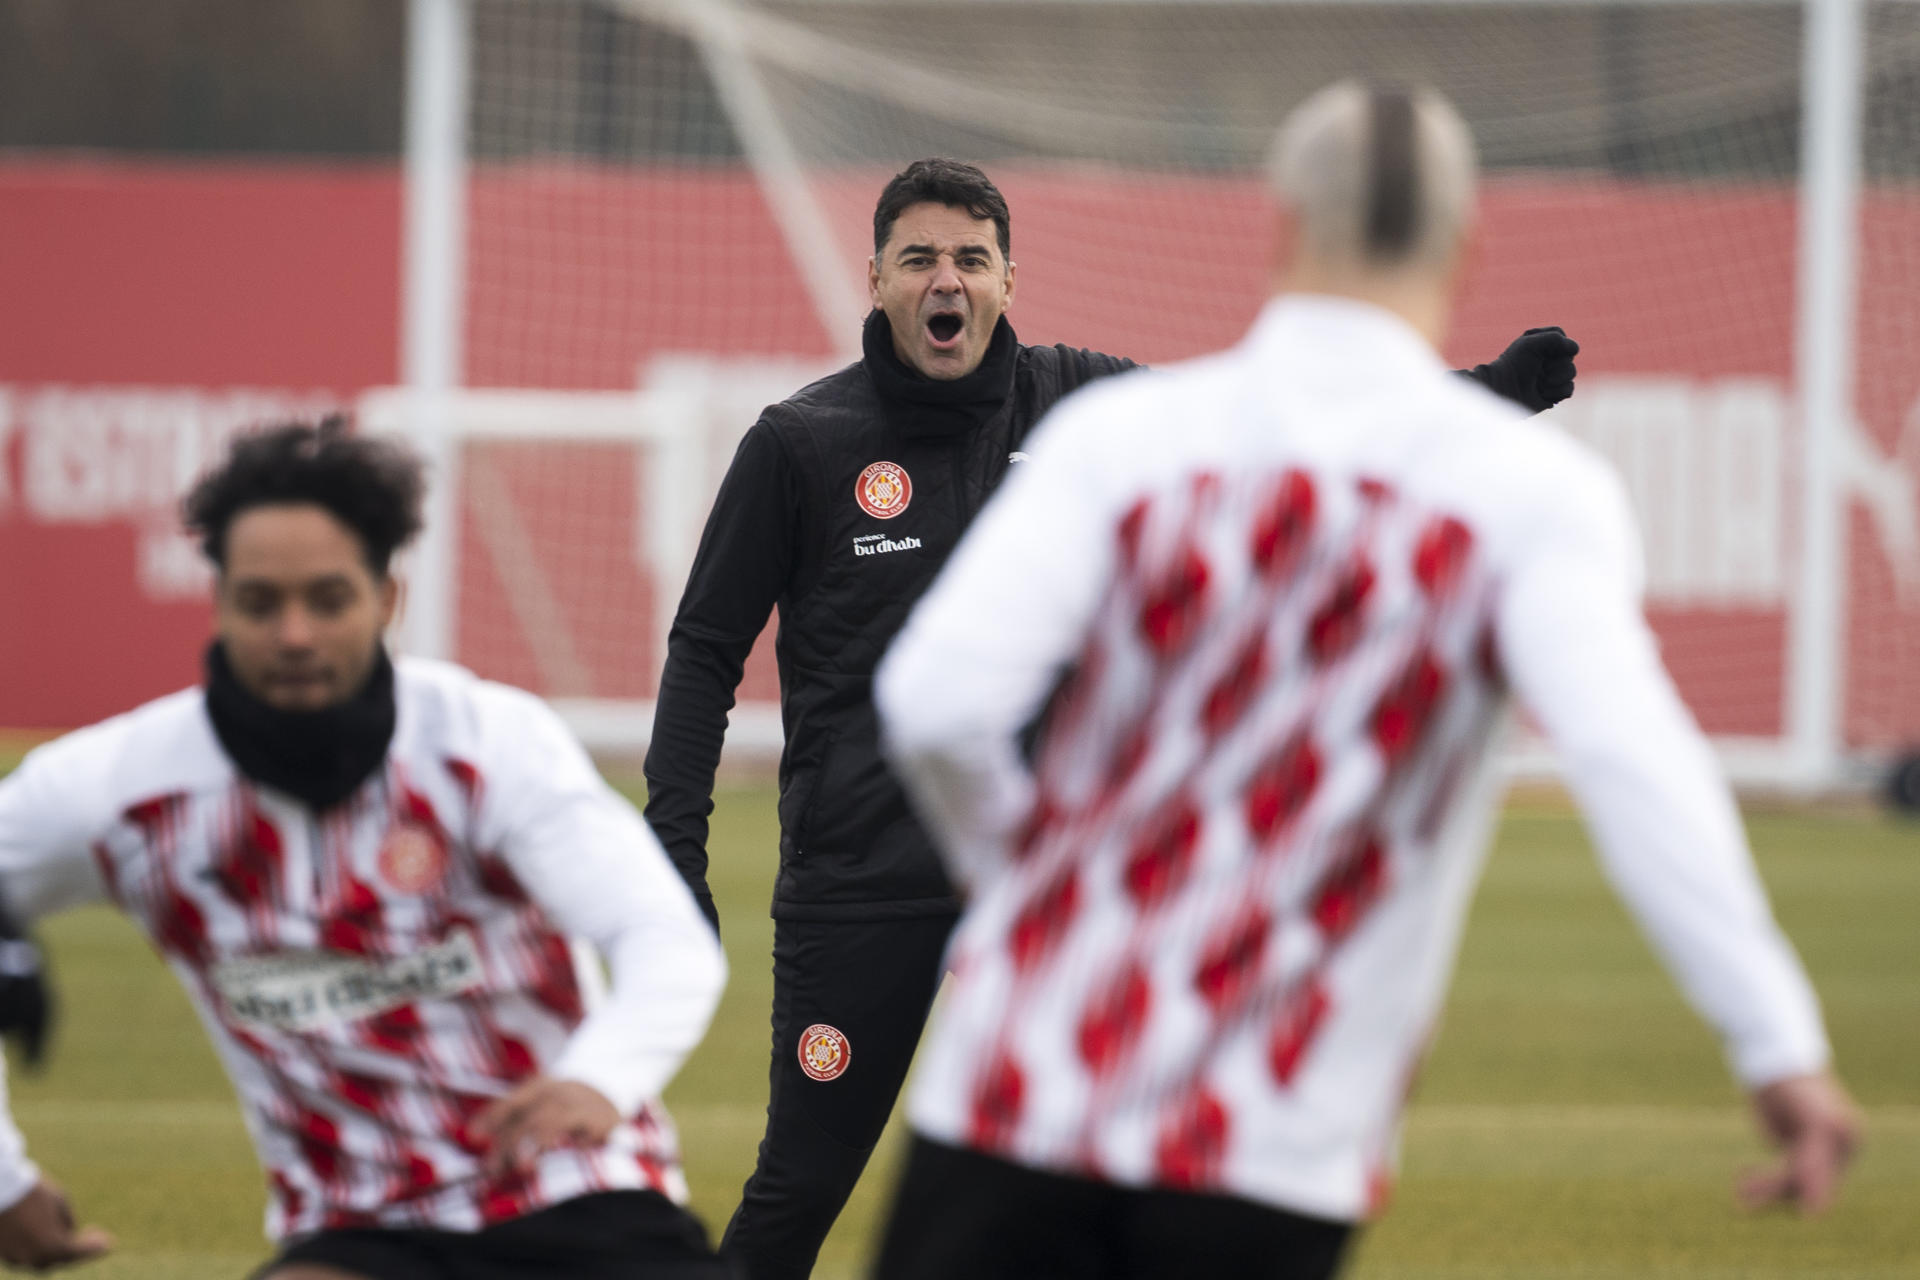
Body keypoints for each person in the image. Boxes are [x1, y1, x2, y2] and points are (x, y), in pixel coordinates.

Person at [870, 82, 1859, 1279]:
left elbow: (935, 703)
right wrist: (1775, 1039)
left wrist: (1020, 880)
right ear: (1464, 246)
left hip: (1013, 1097)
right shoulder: (1525, 497)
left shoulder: (1121, 438)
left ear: (1281, 228)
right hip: (1273, 1143)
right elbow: (1631, 759)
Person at [642, 154, 1580, 1278]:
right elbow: (703, 655)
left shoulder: (1084, 405)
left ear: (1007, 279)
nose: (949, 280)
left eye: (972, 259)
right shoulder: (799, 444)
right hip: (863, 881)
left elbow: (1272, 440)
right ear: (881, 279)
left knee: (1087, 1194)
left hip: (1061, 896)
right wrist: (671, 850)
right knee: (801, 1183)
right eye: (922, 259)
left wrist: (1486, 392)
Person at [0, 420, 729, 1279]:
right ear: (220, 601)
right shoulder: (125, 790)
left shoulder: (484, 746)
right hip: (358, 1228)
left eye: (329, 599)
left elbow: (668, 941)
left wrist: (603, 1079)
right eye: (262, 603)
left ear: (387, 599)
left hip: (575, 1194)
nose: (296, 634)